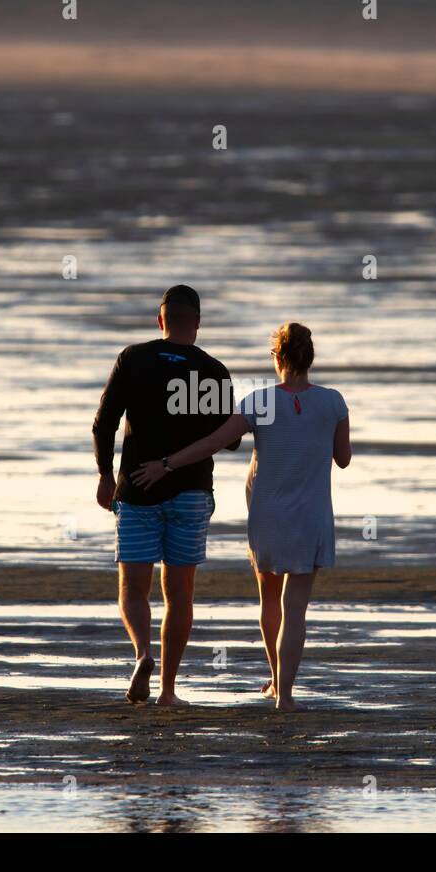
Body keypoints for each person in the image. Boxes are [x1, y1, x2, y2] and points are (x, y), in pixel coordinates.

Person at [132, 322, 350, 710]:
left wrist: (166, 463)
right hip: (311, 516)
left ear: (276, 358)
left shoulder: (259, 401)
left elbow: (215, 443)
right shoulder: (333, 402)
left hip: (268, 516)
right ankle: (284, 694)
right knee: (296, 608)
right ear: (310, 358)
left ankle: (274, 677)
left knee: (269, 601)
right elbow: (343, 459)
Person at [92, 284, 240, 705]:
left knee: (133, 587)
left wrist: (105, 475)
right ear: (196, 322)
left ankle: (142, 653)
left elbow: (103, 423)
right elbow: (228, 440)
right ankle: (168, 691)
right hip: (190, 493)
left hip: (136, 488)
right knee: (179, 594)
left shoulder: (134, 358)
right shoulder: (211, 370)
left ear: (160, 321)